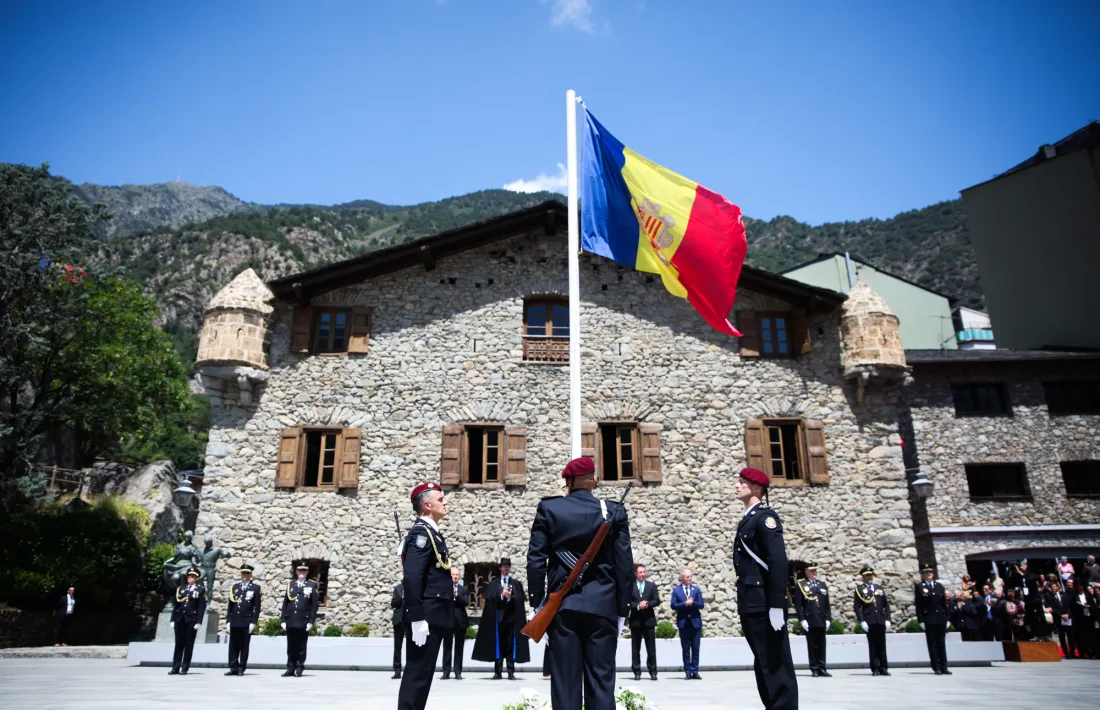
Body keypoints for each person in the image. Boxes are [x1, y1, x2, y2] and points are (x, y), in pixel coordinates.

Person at [526, 456, 633, 710]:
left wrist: (536, 603)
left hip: (563, 609)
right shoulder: (613, 511)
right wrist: (622, 609)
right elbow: (624, 565)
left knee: (565, 685)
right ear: (594, 481)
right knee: (601, 684)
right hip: (603, 608)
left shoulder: (549, 509)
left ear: (568, 482)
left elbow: (536, 560)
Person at [732, 467, 797, 709]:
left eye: (742, 482)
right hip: (752, 603)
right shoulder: (750, 518)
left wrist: (777, 604)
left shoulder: (765, 517)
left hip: (764, 603)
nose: (737, 486)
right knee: (763, 661)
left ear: (756, 488)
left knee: (776, 663)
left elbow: (778, 561)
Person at [398, 481, 455, 710]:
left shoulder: (432, 533)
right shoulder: (422, 534)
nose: (446, 502)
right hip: (426, 616)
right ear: (427, 505)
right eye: (441, 499)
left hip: (434, 614)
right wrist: (417, 617)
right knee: (417, 675)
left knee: (424, 677)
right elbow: (412, 577)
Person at [472, 558, 531, 679]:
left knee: (510, 646)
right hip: (498, 620)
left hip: (511, 620)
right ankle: (498, 672)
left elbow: (520, 600)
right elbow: (490, 600)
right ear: (500, 568)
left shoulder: (516, 584)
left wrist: (510, 597)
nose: (505, 568)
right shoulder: (494, 583)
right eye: (503, 566)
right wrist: (501, 595)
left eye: (507, 566)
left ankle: (510, 672)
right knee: (498, 646)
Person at [280, 562, 320, 677]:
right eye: (300, 570)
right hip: (291, 620)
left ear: (307, 572)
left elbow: (314, 605)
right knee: (291, 646)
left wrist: (311, 621)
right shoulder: (291, 585)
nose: (302, 572)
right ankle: (290, 668)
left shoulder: (311, 585)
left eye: (304, 570)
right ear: (296, 572)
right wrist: (283, 619)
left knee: (301, 646)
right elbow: (285, 604)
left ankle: (299, 667)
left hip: (303, 620)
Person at [795, 563, 832, 677]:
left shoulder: (822, 585)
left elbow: (827, 604)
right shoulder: (802, 585)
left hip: (821, 619)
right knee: (812, 645)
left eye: (815, 571)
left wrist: (828, 618)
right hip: (810, 619)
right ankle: (814, 668)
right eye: (812, 571)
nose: (814, 573)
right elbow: (798, 604)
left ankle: (822, 667)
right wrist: (802, 619)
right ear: (806, 572)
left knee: (822, 645)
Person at [853, 566, 891, 676]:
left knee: (882, 645)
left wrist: (888, 619)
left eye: (870, 575)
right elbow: (857, 606)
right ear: (863, 577)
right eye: (867, 575)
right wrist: (862, 621)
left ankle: (884, 667)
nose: (869, 577)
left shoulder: (878, 588)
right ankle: (875, 668)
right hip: (869, 620)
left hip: (880, 619)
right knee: (873, 645)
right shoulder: (860, 589)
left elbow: (886, 605)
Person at [225, 564, 261, 676]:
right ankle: (233, 666)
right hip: (235, 620)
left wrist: (254, 622)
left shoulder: (255, 588)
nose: (244, 575)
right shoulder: (235, 587)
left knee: (244, 646)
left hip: (246, 621)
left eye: (247, 573)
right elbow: (230, 606)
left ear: (250, 575)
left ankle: (241, 667)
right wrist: (228, 620)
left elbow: (257, 607)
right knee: (233, 645)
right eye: (243, 573)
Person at [914, 564, 951, 675]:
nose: (929, 574)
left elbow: (944, 604)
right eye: (927, 572)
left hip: (940, 618)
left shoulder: (939, 586)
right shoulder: (920, 587)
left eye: (931, 572)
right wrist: (921, 620)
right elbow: (918, 605)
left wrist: (947, 618)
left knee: (941, 643)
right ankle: (936, 667)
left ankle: (944, 666)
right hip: (929, 618)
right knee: (932, 644)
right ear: (923, 575)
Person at [169, 568, 206, 675]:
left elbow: (201, 607)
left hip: (191, 619)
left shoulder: (200, 590)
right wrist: (172, 619)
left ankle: (185, 667)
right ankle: (175, 667)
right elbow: (176, 606)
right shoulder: (181, 589)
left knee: (188, 644)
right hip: (180, 619)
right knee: (179, 643)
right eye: (189, 576)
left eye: (193, 576)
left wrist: (199, 621)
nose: (190, 578)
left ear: (196, 578)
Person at [670, 569, 704, 680]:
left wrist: (692, 603)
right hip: (683, 623)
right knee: (685, 648)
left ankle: (695, 670)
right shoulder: (677, 590)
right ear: (682, 578)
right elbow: (673, 605)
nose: (689, 578)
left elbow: (701, 604)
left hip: (695, 622)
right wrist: (684, 603)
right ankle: (688, 671)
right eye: (687, 577)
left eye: (690, 576)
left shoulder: (696, 590)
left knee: (696, 648)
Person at [628, 562, 660, 681]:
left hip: (649, 621)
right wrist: (637, 606)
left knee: (651, 648)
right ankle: (636, 671)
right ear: (635, 574)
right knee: (635, 648)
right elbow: (627, 602)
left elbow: (657, 600)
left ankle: (653, 671)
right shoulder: (630, 586)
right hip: (636, 621)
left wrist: (647, 604)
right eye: (640, 572)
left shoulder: (651, 586)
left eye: (644, 572)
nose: (643, 574)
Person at [441, 567, 469, 680]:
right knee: (447, 646)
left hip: (460, 621)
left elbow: (466, 602)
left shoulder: (463, 589)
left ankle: (458, 671)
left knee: (459, 647)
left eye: (457, 575)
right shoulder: (445, 589)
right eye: (453, 575)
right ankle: (446, 672)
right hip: (447, 620)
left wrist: (456, 595)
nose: (455, 577)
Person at [1045, 580, 1073, 658]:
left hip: (1068, 617)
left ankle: (1072, 652)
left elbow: (1069, 606)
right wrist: (1061, 615)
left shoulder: (1064, 595)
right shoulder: (1050, 596)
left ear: (1058, 587)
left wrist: (1068, 614)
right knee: (1062, 636)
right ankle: (1066, 652)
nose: (1053, 588)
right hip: (1059, 618)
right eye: (1052, 587)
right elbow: (1053, 608)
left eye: (1055, 586)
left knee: (1070, 635)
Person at [391, 582, 406, 679]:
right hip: (399, 619)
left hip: (410, 618)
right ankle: (397, 670)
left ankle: (410, 670)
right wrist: (400, 598)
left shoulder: (415, 587)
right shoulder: (398, 588)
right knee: (397, 646)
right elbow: (393, 604)